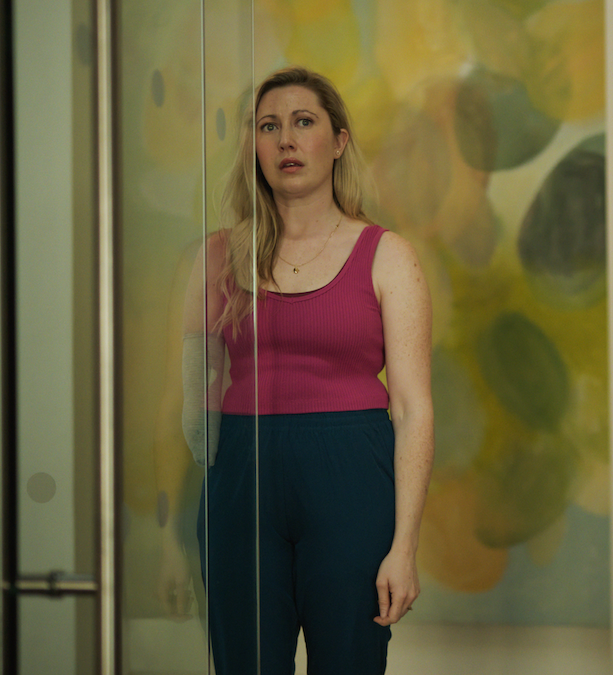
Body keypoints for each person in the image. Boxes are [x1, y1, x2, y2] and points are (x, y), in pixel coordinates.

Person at [181, 66, 434, 674]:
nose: (286, 141)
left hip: (351, 481)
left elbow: (413, 408)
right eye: (269, 127)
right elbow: (192, 399)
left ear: (338, 140)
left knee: (349, 662)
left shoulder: (388, 255)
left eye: (304, 122)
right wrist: (222, 472)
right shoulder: (215, 256)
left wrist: (404, 546)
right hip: (241, 482)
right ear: (255, 148)